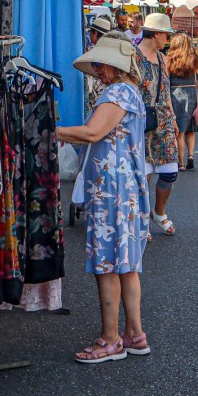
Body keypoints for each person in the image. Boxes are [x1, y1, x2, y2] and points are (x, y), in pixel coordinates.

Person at [56, 36, 150, 364]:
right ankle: (134, 334)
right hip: (125, 189)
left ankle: (111, 340)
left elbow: (93, 132)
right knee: (125, 265)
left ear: (111, 67)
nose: (96, 70)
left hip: (113, 191)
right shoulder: (129, 92)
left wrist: (52, 130)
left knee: (107, 264)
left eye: (99, 65)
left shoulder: (118, 92)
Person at [136, 13, 181, 235]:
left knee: (170, 171)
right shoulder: (134, 57)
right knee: (142, 175)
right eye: (166, 34)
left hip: (163, 120)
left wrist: (172, 118)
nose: (168, 39)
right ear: (156, 33)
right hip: (140, 121)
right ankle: (143, 219)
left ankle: (158, 211)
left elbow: (166, 90)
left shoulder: (162, 58)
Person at [167, 33, 198, 171]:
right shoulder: (195, 59)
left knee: (179, 131)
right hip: (191, 94)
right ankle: (190, 155)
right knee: (190, 128)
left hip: (175, 94)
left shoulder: (169, 59)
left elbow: (165, 79)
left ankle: (181, 163)